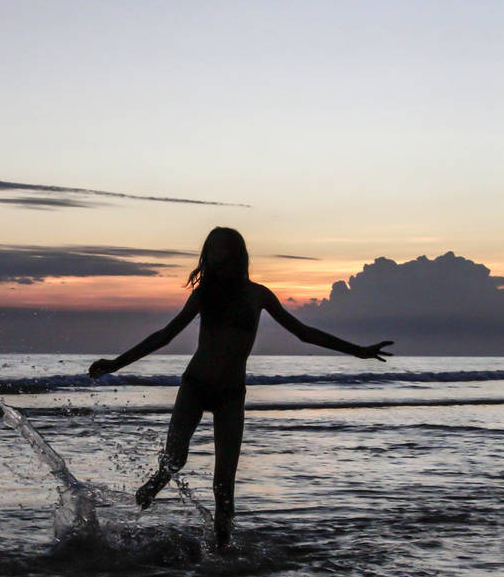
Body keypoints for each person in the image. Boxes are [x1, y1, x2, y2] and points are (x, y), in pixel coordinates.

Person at [88, 227, 392, 547]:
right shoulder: (205, 293)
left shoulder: (258, 295)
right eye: (213, 251)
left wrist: (358, 351)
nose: (217, 258)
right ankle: (154, 485)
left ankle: (222, 552)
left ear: (236, 254)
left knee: (224, 485)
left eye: (222, 250)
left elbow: (303, 332)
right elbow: (165, 335)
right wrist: (115, 364)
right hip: (195, 385)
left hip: (231, 396)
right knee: (175, 460)